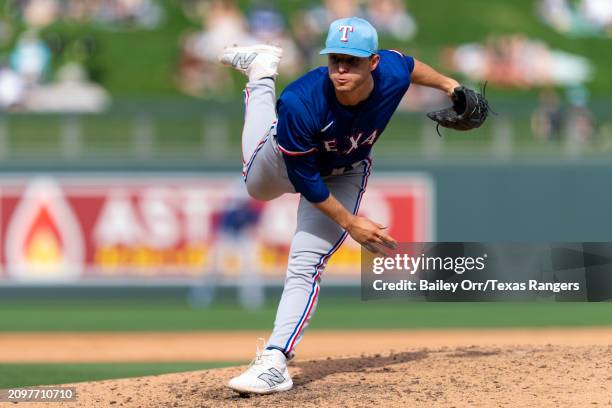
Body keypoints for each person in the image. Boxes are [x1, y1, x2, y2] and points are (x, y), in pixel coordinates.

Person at [219, 16, 460, 394]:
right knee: (255, 187)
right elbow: (305, 181)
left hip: (345, 170)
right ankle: (261, 75)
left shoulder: (392, 72)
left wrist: (452, 86)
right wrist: (351, 222)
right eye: (335, 59)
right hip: (290, 162)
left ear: (373, 62)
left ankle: (274, 360)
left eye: (353, 60)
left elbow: (411, 66)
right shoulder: (302, 100)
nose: (342, 68)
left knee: (306, 263)